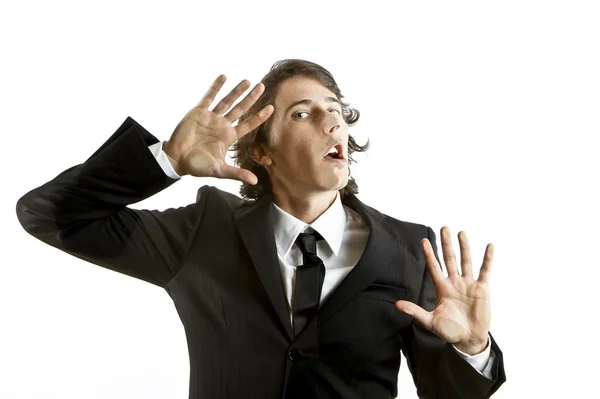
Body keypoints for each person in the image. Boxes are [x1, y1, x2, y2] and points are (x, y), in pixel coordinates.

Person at [16, 59, 506, 398]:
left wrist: (471, 349)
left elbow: (448, 395)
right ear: (262, 152)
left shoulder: (407, 247)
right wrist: (166, 159)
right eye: (303, 113)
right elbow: (48, 215)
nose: (331, 123)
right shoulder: (203, 228)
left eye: (335, 110)